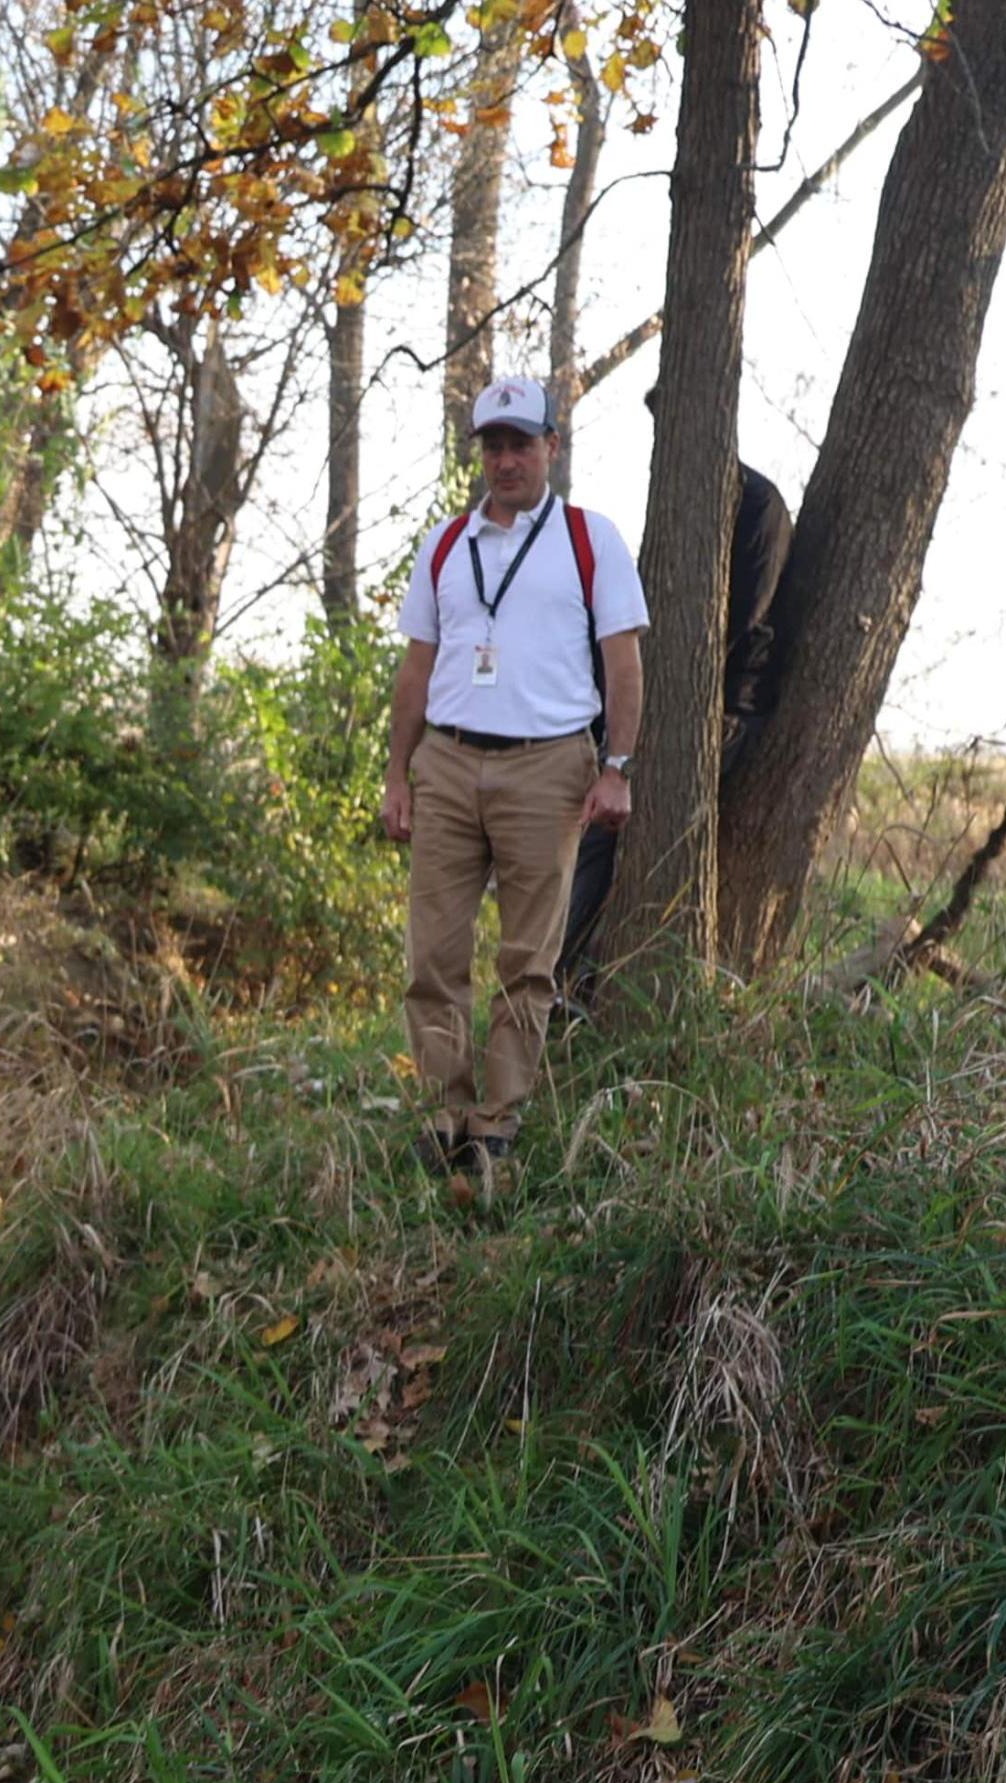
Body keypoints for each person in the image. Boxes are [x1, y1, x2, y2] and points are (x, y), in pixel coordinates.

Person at [377, 373, 647, 1195]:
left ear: (550, 448)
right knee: (435, 950)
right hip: (448, 763)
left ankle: (499, 1119)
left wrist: (616, 768)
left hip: (549, 764)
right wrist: (397, 773)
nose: (505, 461)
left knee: (528, 957)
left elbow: (623, 663)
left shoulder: (587, 538)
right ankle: (442, 1111)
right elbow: (416, 668)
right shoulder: (444, 543)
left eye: (519, 444)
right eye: (491, 446)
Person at [560, 434, 793, 995]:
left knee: (605, 836)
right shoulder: (678, 513)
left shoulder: (756, 505)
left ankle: (562, 981)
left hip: (726, 709)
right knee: (585, 831)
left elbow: (737, 620)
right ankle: (569, 979)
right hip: (654, 705)